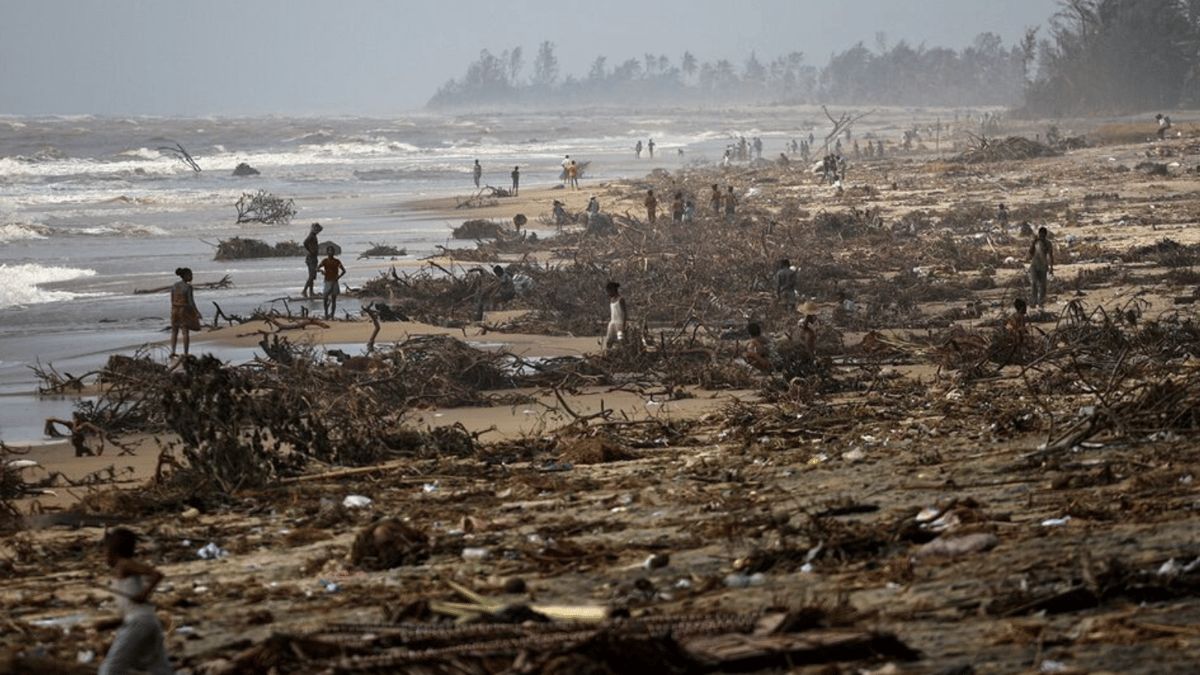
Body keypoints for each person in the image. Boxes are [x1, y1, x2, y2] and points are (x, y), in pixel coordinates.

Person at [99, 528, 172, 675]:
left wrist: (143, 594)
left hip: (139, 622)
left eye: (105, 551)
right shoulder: (122, 566)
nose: (103, 556)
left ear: (114, 550)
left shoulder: (124, 564)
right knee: (159, 670)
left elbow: (156, 574)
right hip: (149, 621)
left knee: (109, 670)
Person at [44, 412, 109, 457]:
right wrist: (53, 419)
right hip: (76, 443)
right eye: (73, 418)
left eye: (75, 418)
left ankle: (91, 452)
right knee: (81, 453)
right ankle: (90, 452)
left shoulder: (83, 425)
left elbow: (90, 428)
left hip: (79, 443)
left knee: (80, 453)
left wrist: (97, 433)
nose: (74, 419)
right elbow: (61, 422)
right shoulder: (71, 424)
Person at [170, 267, 200, 358]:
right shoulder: (188, 287)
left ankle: (173, 352)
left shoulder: (175, 285)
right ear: (185, 276)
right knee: (185, 332)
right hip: (183, 311)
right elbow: (191, 302)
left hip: (174, 309)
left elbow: (171, 298)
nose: (192, 277)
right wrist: (197, 312)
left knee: (174, 331)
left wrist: (173, 308)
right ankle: (186, 353)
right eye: (190, 275)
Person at [1029, 226, 1054, 308]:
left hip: (1043, 266)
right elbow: (1030, 253)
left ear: (1045, 235)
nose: (1041, 237)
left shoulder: (1048, 243)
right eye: (1040, 235)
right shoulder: (1036, 242)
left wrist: (1051, 268)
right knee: (1034, 283)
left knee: (1043, 286)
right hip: (1034, 265)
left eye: (1043, 236)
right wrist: (1033, 243)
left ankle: (1041, 302)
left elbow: (1050, 255)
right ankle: (1034, 301)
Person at [319, 248, 347, 320]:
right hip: (327, 281)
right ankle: (326, 314)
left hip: (334, 281)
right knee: (325, 298)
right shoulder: (324, 261)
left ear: (333, 252)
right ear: (327, 252)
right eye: (329, 251)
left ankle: (332, 315)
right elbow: (317, 268)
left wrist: (338, 278)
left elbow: (344, 271)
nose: (330, 252)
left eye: (332, 251)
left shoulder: (337, 261)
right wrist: (322, 271)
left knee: (333, 299)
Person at [604, 281, 627, 352]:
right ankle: (609, 354)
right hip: (612, 323)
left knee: (620, 340)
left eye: (609, 291)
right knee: (609, 341)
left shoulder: (621, 299)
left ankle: (624, 354)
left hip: (619, 324)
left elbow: (624, 313)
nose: (608, 293)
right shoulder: (611, 300)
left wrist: (623, 325)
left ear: (613, 290)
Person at [302, 222, 322, 298]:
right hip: (311, 258)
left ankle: (311, 292)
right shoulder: (311, 236)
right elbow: (305, 242)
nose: (318, 232)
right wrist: (310, 250)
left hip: (313, 257)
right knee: (312, 275)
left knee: (312, 276)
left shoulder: (313, 236)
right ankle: (304, 291)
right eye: (317, 230)